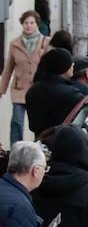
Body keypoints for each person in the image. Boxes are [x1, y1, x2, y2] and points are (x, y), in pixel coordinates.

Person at [0, 10, 49, 144]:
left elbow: (51, 65)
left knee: (39, 123)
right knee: (17, 122)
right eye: (26, 23)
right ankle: (16, 149)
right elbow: (8, 68)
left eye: (32, 23)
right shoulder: (15, 44)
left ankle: (39, 148)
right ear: (22, 24)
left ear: (37, 24)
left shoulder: (45, 42)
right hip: (19, 89)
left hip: (38, 89)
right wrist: (1, 89)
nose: (29, 26)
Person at [23, 49, 86, 138]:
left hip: (39, 142)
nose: (73, 64)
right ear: (63, 66)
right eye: (70, 62)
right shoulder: (72, 94)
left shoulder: (32, 90)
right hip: (64, 144)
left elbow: (33, 126)